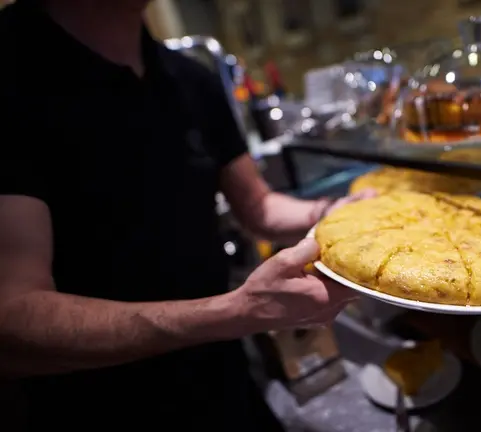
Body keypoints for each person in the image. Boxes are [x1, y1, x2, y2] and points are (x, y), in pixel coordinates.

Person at [0, 0, 372, 429]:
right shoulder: (8, 70)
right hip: (94, 402)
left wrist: (334, 212)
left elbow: (258, 206)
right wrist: (234, 312)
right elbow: (11, 320)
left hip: (223, 372)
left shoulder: (191, 78)